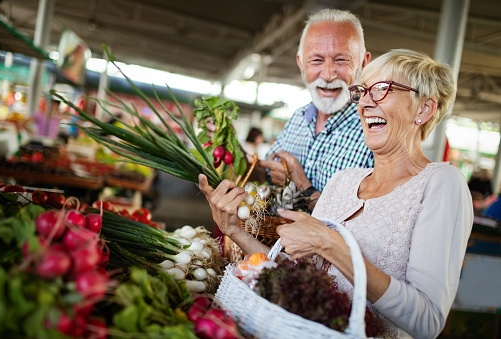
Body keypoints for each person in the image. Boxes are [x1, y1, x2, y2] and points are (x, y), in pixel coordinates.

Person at [198, 49, 474, 338]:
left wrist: (331, 244)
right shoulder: (343, 181)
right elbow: (297, 278)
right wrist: (235, 231)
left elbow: (427, 322)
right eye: (362, 91)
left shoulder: (441, 183)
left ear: (424, 109)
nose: (365, 102)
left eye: (381, 90)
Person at [258, 9, 374, 204]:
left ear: (363, 63)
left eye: (341, 60)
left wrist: (300, 183)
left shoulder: (374, 129)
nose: (328, 75)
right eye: (317, 60)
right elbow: (268, 177)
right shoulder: (298, 117)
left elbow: (366, 220)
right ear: (301, 64)